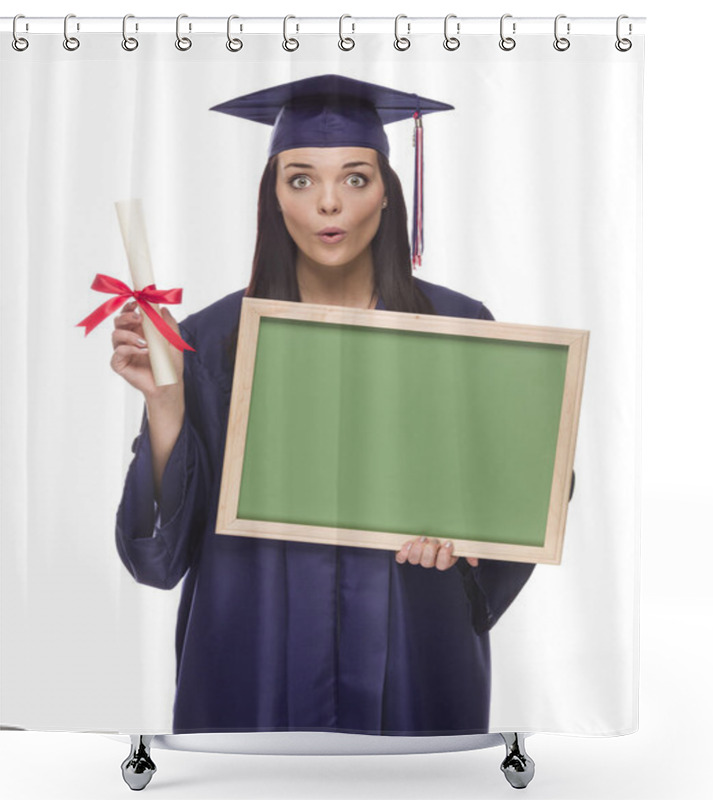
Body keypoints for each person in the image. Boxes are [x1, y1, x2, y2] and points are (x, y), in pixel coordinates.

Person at [113, 75, 534, 736]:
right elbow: (159, 561)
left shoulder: (459, 326)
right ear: (273, 198)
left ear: (391, 195)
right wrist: (166, 406)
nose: (329, 204)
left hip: (414, 652)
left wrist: (470, 537)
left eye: (357, 179)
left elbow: (521, 489)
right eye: (302, 180)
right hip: (249, 656)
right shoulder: (212, 338)